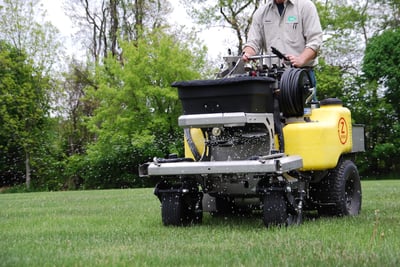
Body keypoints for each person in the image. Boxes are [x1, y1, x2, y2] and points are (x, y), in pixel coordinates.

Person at [242, 0, 323, 92]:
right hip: (271, 78)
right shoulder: (261, 12)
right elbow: (253, 43)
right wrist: (248, 53)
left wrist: (301, 59)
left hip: (301, 76)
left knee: (304, 105)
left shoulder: (305, 6)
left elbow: (315, 41)